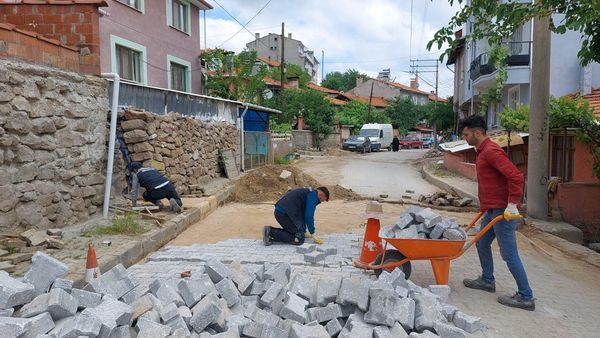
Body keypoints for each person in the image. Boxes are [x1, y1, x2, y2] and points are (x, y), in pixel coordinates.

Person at [458, 115, 534, 311]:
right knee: (482, 243)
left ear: (477, 132)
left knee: (509, 254)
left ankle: (526, 296)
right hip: (491, 210)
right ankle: (487, 280)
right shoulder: (481, 151)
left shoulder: (491, 151)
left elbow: (516, 177)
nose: (464, 138)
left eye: (466, 134)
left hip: (503, 211)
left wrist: (512, 204)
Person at [263, 186, 329, 246]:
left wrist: (303, 230)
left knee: (299, 233)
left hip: (283, 212)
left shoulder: (309, 192)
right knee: (299, 238)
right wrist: (312, 233)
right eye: (322, 200)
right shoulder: (313, 196)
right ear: (321, 195)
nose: (320, 202)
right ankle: (270, 232)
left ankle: (271, 232)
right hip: (284, 214)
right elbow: (308, 216)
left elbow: (303, 214)